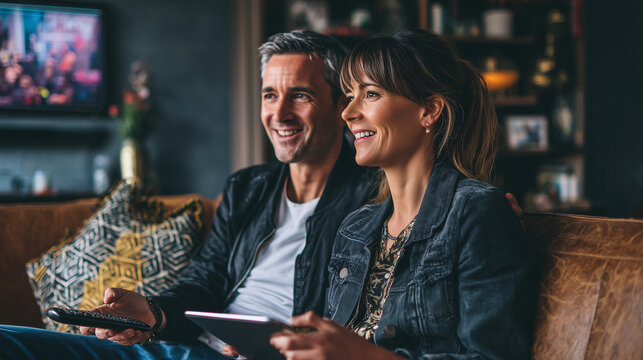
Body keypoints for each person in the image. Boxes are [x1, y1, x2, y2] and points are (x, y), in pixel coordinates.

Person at [0, 30, 523, 360]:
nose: (279, 112)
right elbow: (210, 283)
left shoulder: (384, 199)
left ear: (429, 111)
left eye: (301, 94)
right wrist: (154, 315)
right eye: (269, 94)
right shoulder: (341, 218)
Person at [270, 29, 536, 359]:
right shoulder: (356, 227)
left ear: (429, 111)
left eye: (370, 94)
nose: (348, 112)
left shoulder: (476, 211)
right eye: (350, 94)